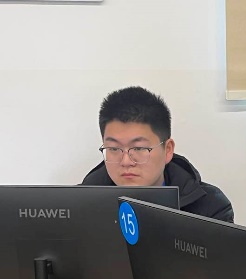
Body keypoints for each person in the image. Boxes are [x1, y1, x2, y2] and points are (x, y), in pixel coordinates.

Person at [82, 86, 234, 223]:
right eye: (114, 149)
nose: (126, 161)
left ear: (167, 150)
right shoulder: (81, 205)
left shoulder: (210, 208)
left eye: (139, 148)